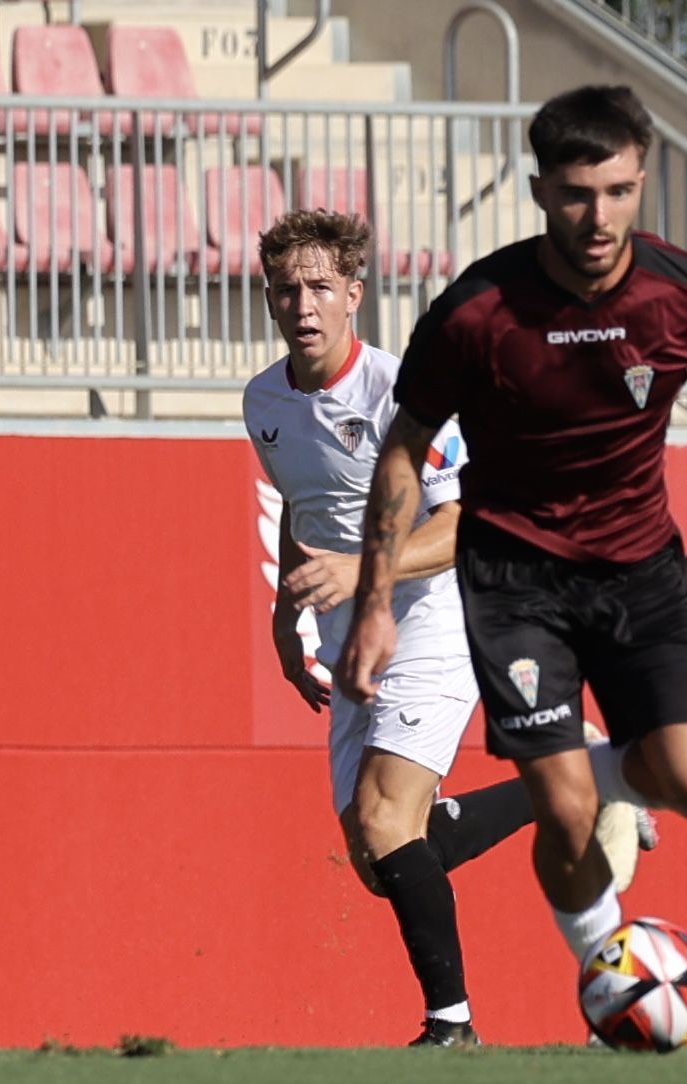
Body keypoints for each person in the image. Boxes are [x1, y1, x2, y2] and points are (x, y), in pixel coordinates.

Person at [336, 85, 687, 970]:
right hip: (516, 586)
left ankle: (590, 767)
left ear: (641, 180)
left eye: (616, 191)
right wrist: (374, 604)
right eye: (575, 193)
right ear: (539, 191)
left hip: (642, 573)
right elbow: (404, 452)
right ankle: (610, 972)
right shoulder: (476, 313)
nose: (597, 215)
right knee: (564, 817)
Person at [242, 209, 649, 1048]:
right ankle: (582, 777)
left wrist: (362, 571)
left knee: (389, 821)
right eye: (286, 290)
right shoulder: (263, 400)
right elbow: (301, 506)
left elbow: (465, 524)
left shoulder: (403, 393)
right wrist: (288, 620)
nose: (303, 305)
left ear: (354, 293)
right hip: (350, 632)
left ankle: (451, 1028)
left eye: (320, 286)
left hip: (437, 614)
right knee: (377, 853)